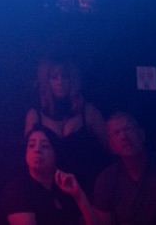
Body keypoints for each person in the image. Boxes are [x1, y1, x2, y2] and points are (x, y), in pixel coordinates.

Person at [24, 58, 111, 191]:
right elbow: (28, 158)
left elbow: (111, 148)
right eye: (54, 77)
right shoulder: (35, 115)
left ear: (72, 80)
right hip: (47, 188)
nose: (60, 82)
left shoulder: (87, 112)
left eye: (65, 77)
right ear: (46, 81)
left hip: (86, 186)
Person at [3, 127, 99, 225]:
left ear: (56, 154)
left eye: (44, 146)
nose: (37, 150)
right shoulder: (17, 189)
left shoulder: (65, 186)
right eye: (31, 145)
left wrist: (79, 195)